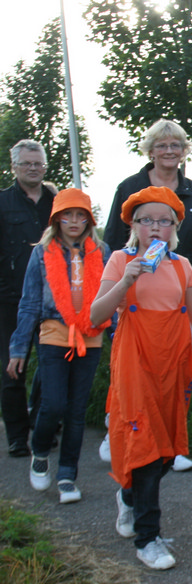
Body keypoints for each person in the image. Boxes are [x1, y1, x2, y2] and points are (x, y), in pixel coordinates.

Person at [91, 186, 192, 570]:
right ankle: (147, 538)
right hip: (134, 364)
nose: (154, 227)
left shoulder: (182, 266)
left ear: (174, 229)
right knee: (146, 449)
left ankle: (129, 497)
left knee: (166, 450)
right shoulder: (120, 260)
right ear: (133, 225)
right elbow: (96, 316)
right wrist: (125, 280)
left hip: (174, 365)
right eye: (146, 220)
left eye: (164, 221)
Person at [103, 119, 192, 472]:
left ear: (184, 150)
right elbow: (112, 240)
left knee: (173, 374)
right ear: (150, 150)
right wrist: (115, 284)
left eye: (176, 145)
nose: (169, 151)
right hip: (134, 291)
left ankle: (169, 441)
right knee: (133, 374)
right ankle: (126, 435)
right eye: (162, 145)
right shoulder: (130, 188)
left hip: (178, 290)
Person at [6, 188, 112, 503]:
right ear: (56, 219)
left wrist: (119, 338)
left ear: (89, 220)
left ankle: (67, 475)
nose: (74, 221)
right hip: (53, 335)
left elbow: (112, 298)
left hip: (90, 338)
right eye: (68, 215)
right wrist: (18, 349)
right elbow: (29, 303)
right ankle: (39, 452)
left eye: (81, 215)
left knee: (77, 411)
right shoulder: (42, 252)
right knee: (53, 404)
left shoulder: (102, 251)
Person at [0, 139, 55, 458]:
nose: (33, 168)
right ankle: (17, 436)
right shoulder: (3, 203)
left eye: (38, 163)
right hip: (11, 299)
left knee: (51, 367)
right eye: (27, 164)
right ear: (15, 167)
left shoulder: (57, 203)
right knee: (12, 369)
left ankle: (42, 426)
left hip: (52, 300)